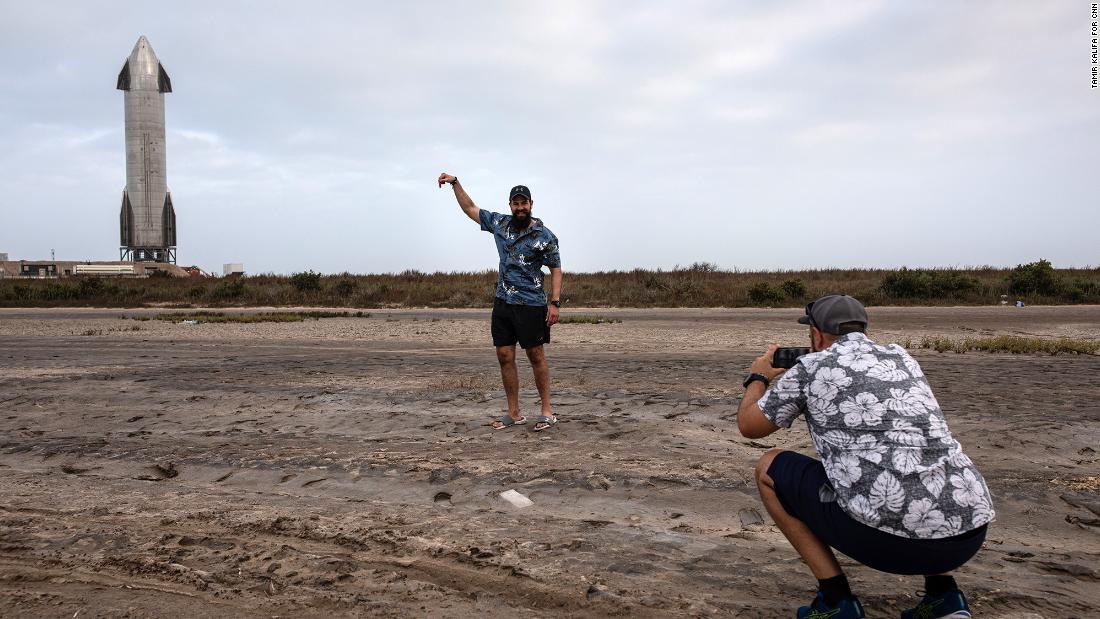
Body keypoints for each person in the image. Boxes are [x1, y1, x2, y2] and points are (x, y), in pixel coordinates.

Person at [736, 294, 994, 619]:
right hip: (968, 530)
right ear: (864, 330)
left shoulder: (810, 368)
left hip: (890, 544)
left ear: (816, 334)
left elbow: (749, 425)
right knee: (911, 459)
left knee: (768, 467)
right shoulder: (901, 357)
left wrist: (758, 377)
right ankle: (944, 597)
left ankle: (836, 600)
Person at [438, 172, 562, 431]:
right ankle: (514, 412)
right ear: (510, 206)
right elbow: (471, 209)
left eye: (524, 203)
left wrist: (555, 302)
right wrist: (455, 183)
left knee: (536, 355)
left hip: (531, 304)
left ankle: (547, 411)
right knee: (505, 355)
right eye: (516, 203)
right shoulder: (499, 224)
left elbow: (556, 269)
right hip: (503, 302)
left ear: (531, 204)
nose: (520, 208)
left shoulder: (545, 235)